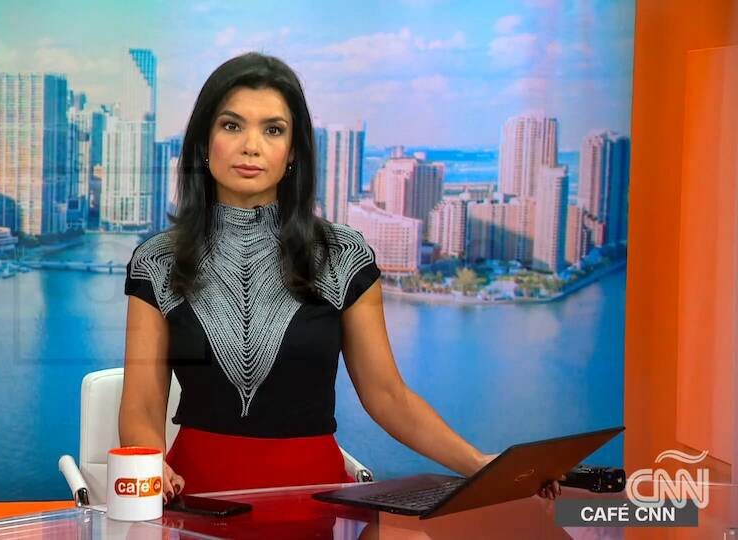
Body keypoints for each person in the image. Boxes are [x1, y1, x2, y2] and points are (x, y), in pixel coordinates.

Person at [119, 52, 562, 504]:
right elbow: (142, 407)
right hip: (194, 503)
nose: (251, 145)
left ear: (293, 152)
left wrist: (479, 464)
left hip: (316, 502)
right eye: (232, 126)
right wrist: (150, 467)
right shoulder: (158, 262)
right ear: (203, 142)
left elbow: (387, 396)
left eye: (273, 130)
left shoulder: (342, 256)